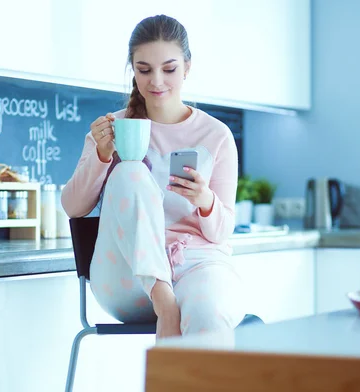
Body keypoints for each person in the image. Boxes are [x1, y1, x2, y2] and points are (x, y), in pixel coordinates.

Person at [61, 14, 245, 339]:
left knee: (208, 315)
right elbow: (73, 206)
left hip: (195, 265)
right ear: (133, 69)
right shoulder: (111, 128)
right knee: (130, 172)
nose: (156, 81)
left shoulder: (216, 136)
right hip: (126, 277)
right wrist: (102, 156)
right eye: (144, 70)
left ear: (187, 67)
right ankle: (164, 301)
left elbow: (221, 232)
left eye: (169, 69)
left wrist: (205, 201)